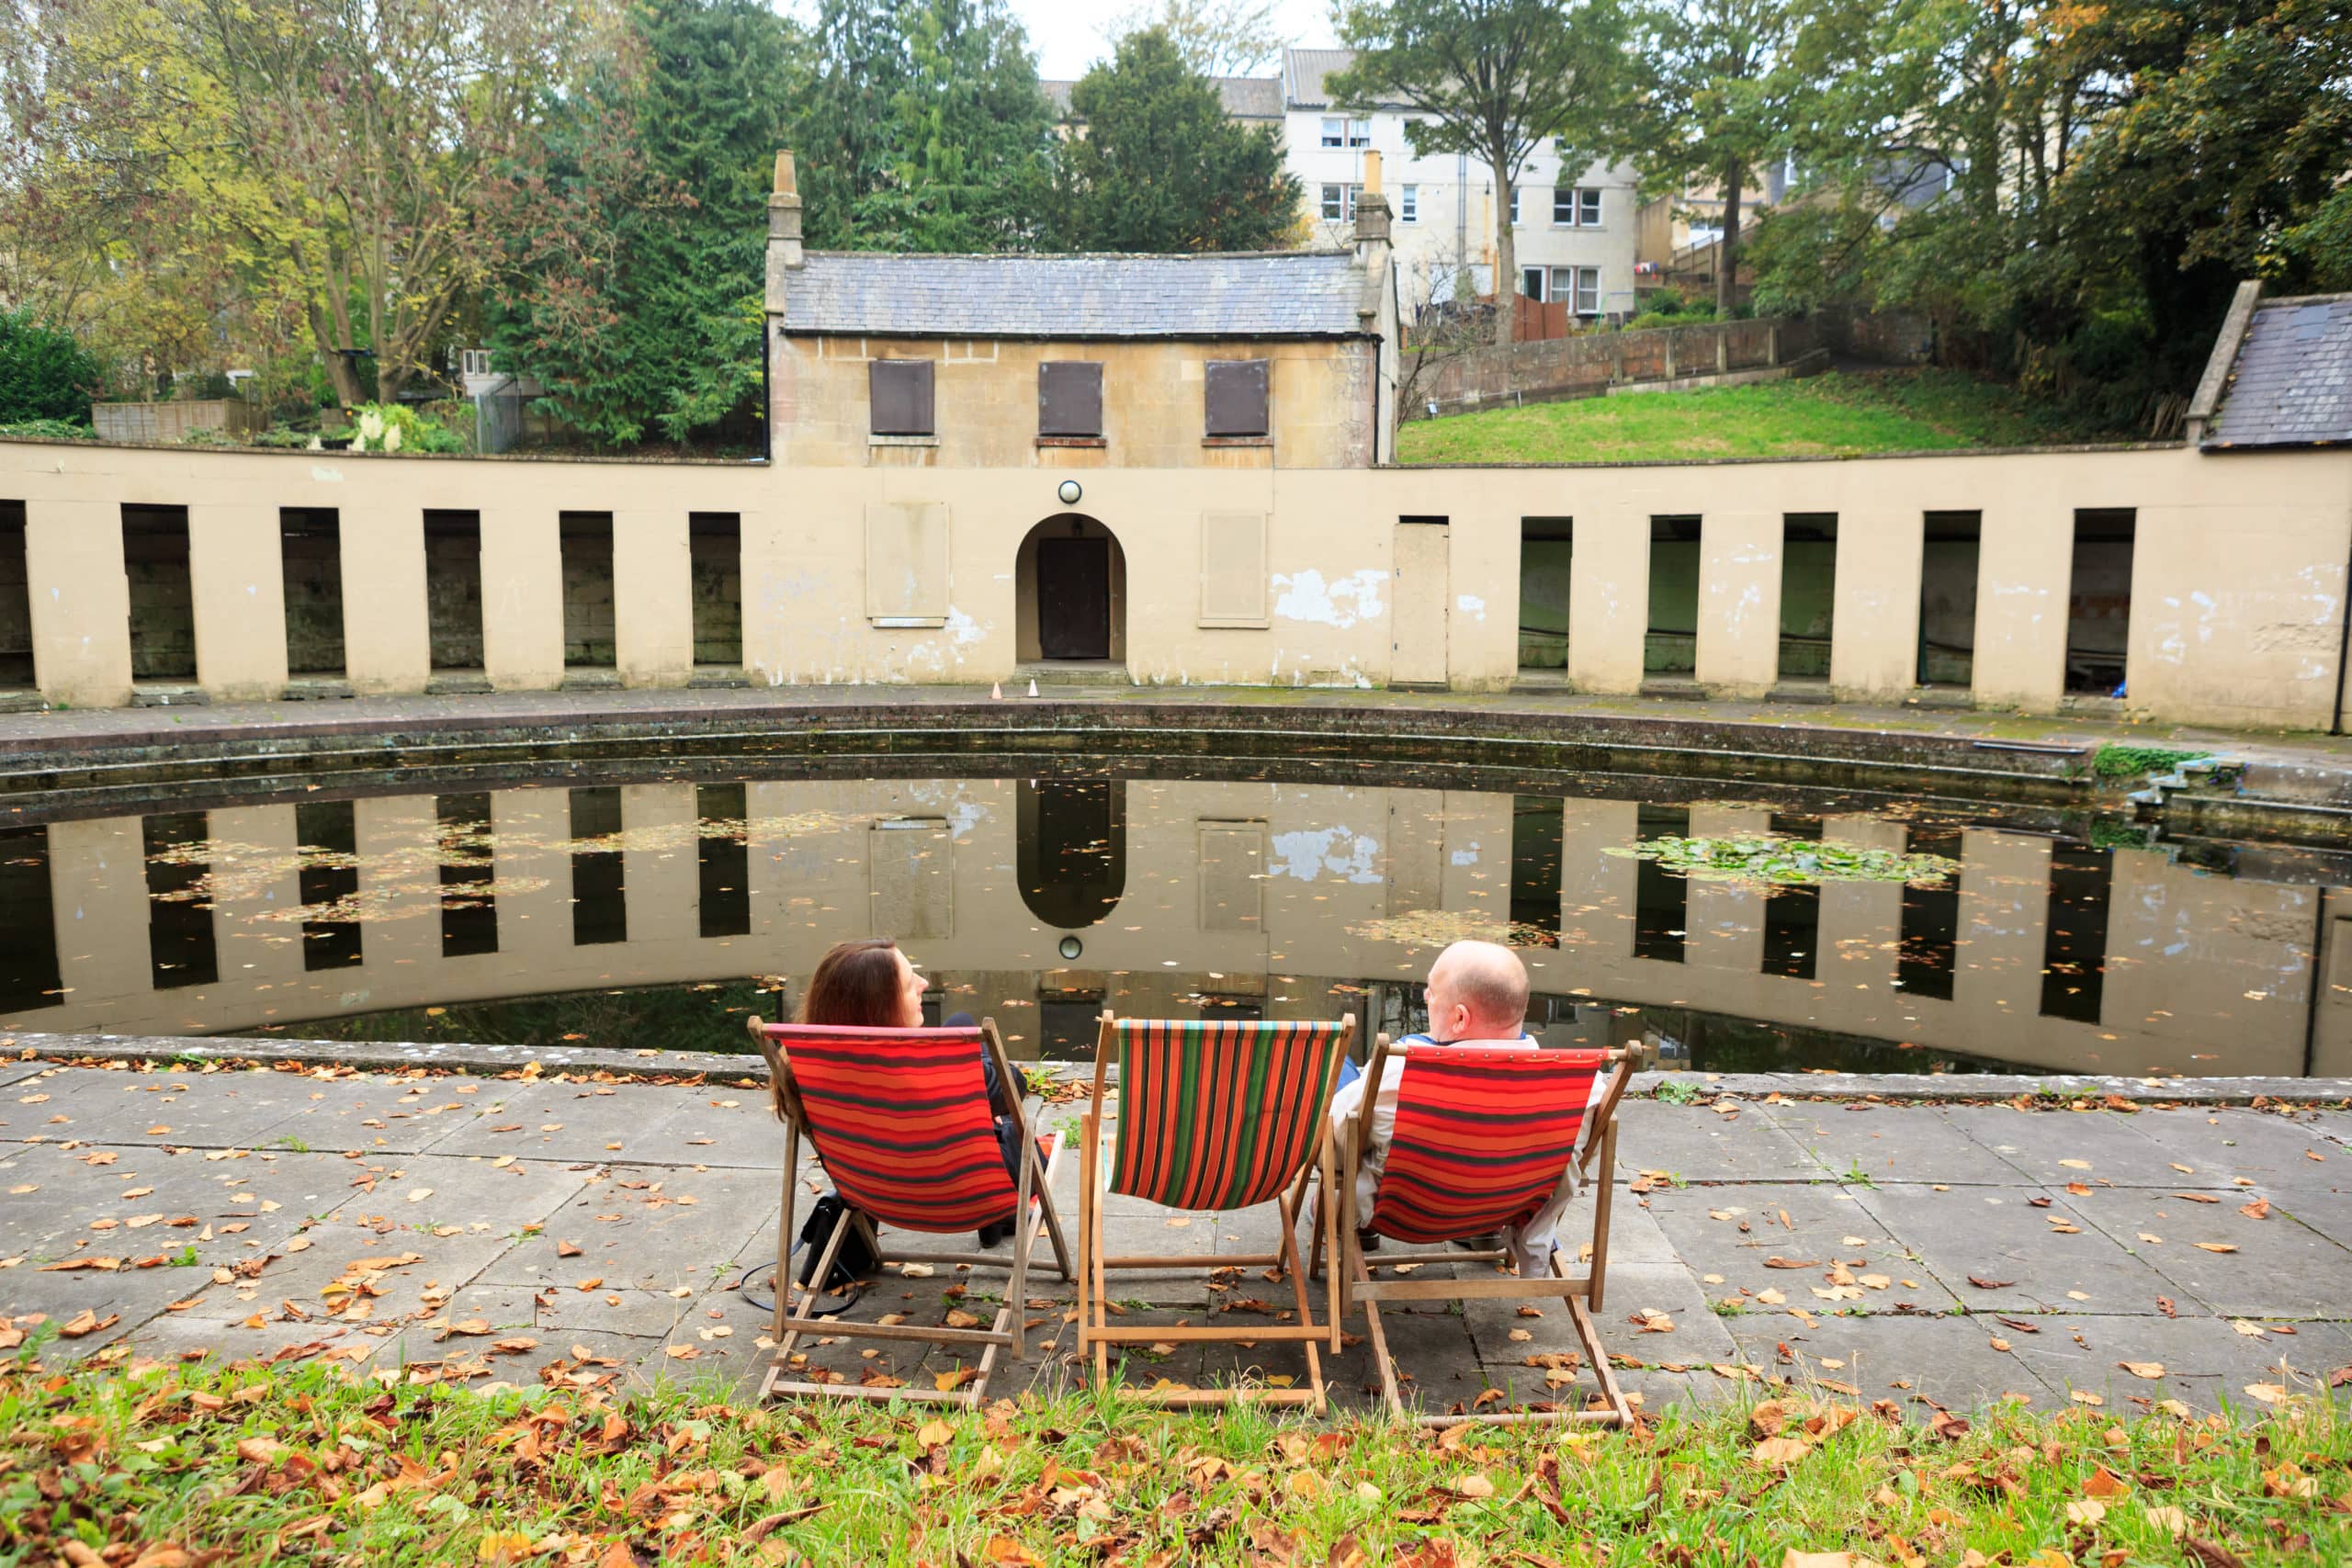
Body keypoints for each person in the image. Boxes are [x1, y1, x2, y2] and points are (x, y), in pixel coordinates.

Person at [1327, 939, 1600, 1275]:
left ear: (1459, 1017)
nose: (1427, 998)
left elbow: (1337, 1145)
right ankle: (1484, 1227)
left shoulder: (1400, 1074)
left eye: (1431, 992)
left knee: (1339, 1070)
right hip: (1506, 1207)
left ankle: (1341, 1217)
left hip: (1404, 1214)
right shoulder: (1583, 1087)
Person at [798, 938, 1031, 1248]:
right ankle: (995, 1217)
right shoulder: (929, 1071)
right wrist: (968, 1067)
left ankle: (994, 1218)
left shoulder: (810, 1069)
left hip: (872, 1191)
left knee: (959, 1023)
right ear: (879, 1006)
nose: (924, 984)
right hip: (967, 1192)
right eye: (910, 984)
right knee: (1017, 1131)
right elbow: (1015, 1086)